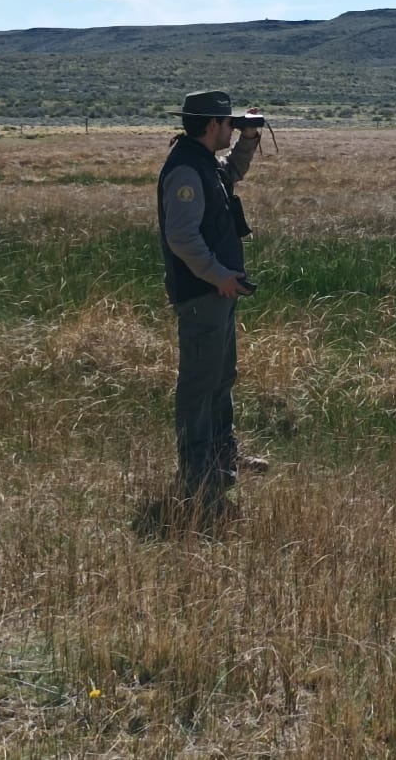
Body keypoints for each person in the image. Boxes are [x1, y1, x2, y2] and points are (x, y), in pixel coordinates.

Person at [156, 90, 269, 521]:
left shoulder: (204, 163)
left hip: (218, 292)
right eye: (228, 124)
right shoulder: (186, 170)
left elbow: (232, 173)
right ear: (210, 127)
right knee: (199, 385)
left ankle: (222, 456)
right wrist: (217, 274)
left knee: (221, 377)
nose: (231, 128)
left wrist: (249, 138)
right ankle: (196, 471)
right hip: (203, 293)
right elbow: (182, 237)